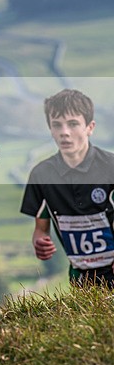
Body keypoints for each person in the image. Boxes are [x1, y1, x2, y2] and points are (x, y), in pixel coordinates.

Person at [20, 89, 114, 287]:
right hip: (80, 280)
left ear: (90, 127)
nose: (64, 132)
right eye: (57, 125)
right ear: (50, 129)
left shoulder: (111, 167)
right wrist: (40, 242)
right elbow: (40, 230)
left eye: (73, 124)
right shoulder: (41, 175)